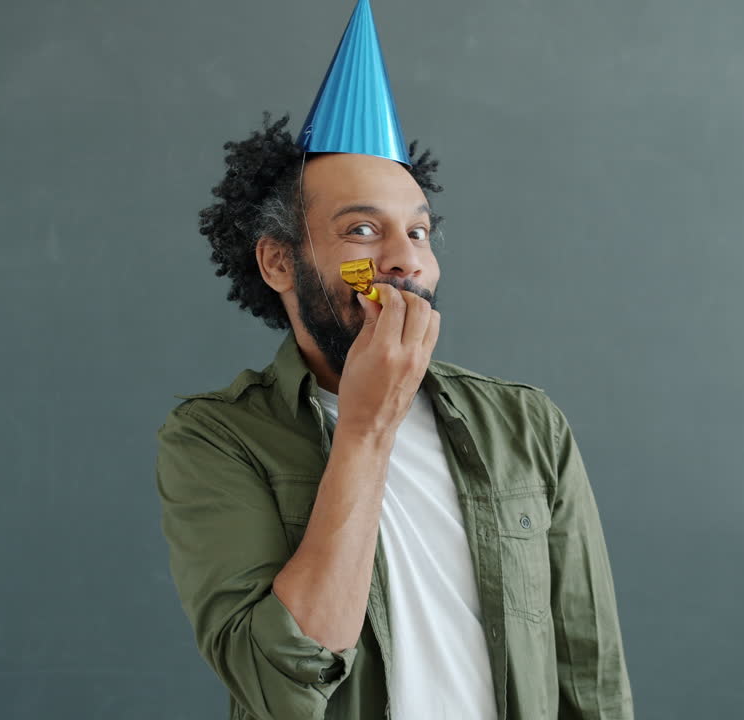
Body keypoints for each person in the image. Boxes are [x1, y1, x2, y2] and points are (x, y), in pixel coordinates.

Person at [154, 2, 632, 718]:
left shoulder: (527, 426)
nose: (405, 260)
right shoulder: (214, 441)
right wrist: (366, 428)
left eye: (419, 231)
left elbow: (589, 680)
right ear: (280, 261)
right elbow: (279, 684)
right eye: (363, 229)